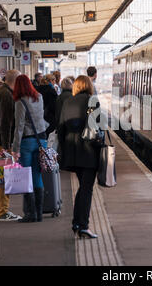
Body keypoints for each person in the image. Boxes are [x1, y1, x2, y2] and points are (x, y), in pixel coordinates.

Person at [57, 75, 100, 239]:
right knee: (86, 189)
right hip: (88, 151)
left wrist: (63, 150)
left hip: (71, 151)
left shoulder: (68, 102)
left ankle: (76, 223)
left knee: (83, 188)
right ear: (88, 86)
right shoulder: (91, 101)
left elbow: (60, 128)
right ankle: (83, 226)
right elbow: (94, 123)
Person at [12, 74, 49, 223]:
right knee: (37, 176)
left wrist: (15, 148)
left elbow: (19, 126)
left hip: (27, 142)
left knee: (25, 178)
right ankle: (39, 214)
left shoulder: (20, 102)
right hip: (41, 140)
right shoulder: (39, 97)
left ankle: (30, 214)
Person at [0, 70, 22, 222]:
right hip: (2, 142)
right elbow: (5, 122)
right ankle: (2, 212)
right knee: (4, 178)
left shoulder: (0, 91)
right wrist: (6, 146)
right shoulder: (7, 94)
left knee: (2, 177)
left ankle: (2, 210)